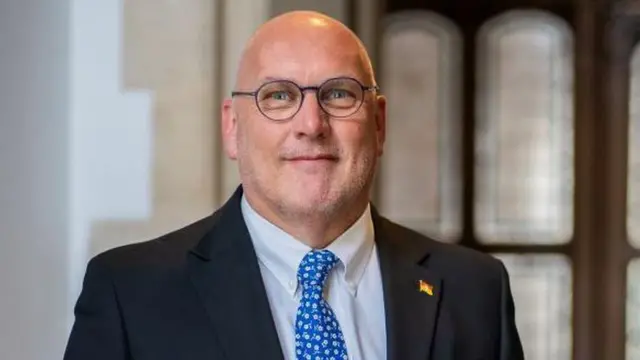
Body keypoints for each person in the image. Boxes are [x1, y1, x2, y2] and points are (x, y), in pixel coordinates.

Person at [63, 10, 524, 360]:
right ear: (232, 128)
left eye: (339, 93)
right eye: (278, 96)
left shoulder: (475, 291)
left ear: (379, 124)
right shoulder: (131, 295)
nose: (311, 124)